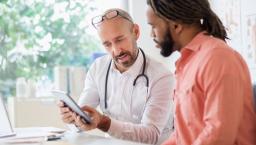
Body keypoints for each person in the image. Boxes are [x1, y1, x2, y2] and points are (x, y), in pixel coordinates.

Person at [145, 0, 256, 145]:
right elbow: (182, 136)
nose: (151, 34)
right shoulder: (186, 64)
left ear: (176, 25)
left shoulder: (218, 58)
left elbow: (218, 136)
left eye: (153, 26)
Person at [59, 8, 174, 145]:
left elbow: (151, 135)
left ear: (135, 32)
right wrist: (74, 119)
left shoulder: (161, 76)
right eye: (107, 44)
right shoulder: (98, 68)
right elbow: (84, 114)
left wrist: (103, 122)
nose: (116, 50)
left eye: (119, 40)